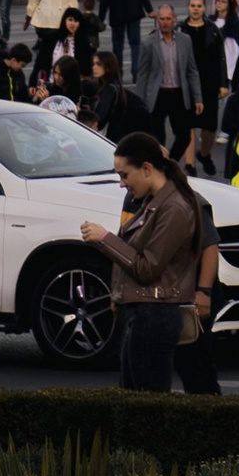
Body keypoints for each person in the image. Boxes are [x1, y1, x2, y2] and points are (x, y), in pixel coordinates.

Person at [75, 132, 201, 392]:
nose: (121, 183)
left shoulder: (173, 207)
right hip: (144, 312)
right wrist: (117, 295)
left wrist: (105, 238)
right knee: (135, 400)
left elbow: (146, 268)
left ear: (146, 169)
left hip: (154, 314)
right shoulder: (155, 202)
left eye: (124, 175)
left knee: (145, 406)